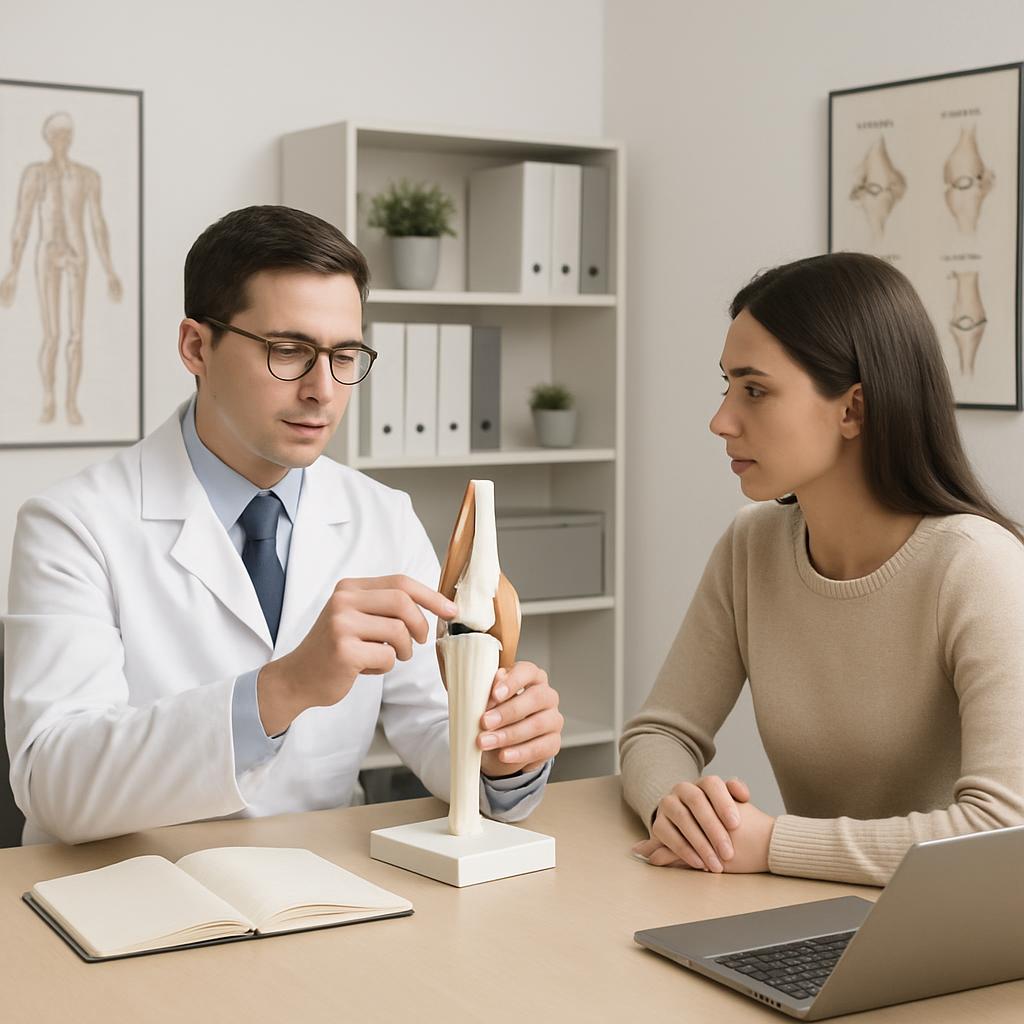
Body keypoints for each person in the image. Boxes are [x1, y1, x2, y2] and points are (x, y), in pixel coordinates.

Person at [4, 205, 563, 845]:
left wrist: (499, 751)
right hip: (127, 885)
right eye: (289, 351)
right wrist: (285, 688)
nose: (323, 390)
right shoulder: (72, 524)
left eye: (345, 355)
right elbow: (54, 783)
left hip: (320, 881)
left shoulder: (382, 516)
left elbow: (433, 727)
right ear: (196, 348)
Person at [621, 252, 1024, 886]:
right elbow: (659, 733)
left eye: (755, 390)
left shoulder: (978, 567)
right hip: (809, 915)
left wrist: (773, 843)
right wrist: (679, 807)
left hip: (956, 936)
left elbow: (1002, 834)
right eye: (727, 386)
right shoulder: (752, 546)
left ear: (853, 410)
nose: (721, 420)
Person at [0, 111, 123, 426]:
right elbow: (22, 222)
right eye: (57, 135)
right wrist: (12, 269)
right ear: (48, 138)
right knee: (52, 334)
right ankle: (49, 398)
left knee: (76, 334)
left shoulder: (87, 177)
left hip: (77, 255)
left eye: (66, 135)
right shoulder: (36, 175)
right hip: (48, 252)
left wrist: (110, 269)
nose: (62, 141)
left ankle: (70, 402)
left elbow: (98, 224)